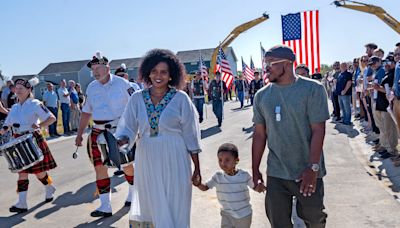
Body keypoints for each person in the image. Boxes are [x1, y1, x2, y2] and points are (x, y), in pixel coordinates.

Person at [114, 49, 201, 227]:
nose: (158, 76)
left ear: (171, 75)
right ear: (148, 73)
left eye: (163, 72)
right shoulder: (137, 99)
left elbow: (191, 135)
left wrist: (197, 168)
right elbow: (128, 128)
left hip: (175, 158)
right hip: (147, 158)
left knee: (175, 202)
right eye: (154, 71)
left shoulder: (181, 98)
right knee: (151, 202)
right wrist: (122, 140)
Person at [252, 45, 329, 228]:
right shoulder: (261, 96)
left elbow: (319, 130)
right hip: (277, 172)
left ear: (286, 64)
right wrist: (255, 170)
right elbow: (259, 135)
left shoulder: (313, 89)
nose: (266, 68)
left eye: (270, 63)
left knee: (314, 218)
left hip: (307, 171)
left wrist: (313, 167)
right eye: (265, 64)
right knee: (278, 221)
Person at [75, 52, 135, 217]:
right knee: (99, 168)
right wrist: (79, 134)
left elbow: (136, 108)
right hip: (98, 131)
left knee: (127, 166)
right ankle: (105, 206)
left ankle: (133, 192)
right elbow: (86, 112)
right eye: (93, 69)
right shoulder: (91, 87)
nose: (95, 72)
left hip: (120, 131)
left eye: (98, 67)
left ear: (107, 67)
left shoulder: (123, 84)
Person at [1, 78, 57, 213]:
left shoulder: (35, 103)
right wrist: (2, 131)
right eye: (16, 88)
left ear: (29, 90)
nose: (18, 91)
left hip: (32, 139)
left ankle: (49, 186)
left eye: (21, 88)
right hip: (17, 141)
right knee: (22, 173)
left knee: (39, 172)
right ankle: (22, 203)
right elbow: (6, 125)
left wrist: (39, 126)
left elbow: (52, 118)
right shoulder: (14, 107)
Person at [197, 143, 265, 228]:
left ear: (236, 160)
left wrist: (260, 186)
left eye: (227, 160)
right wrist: (198, 183)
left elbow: (255, 188)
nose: (223, 163)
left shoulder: (244, 175)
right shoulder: (218, 176)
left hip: (244, 215)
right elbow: (205, 187)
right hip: (227, 214)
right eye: (220, 160)